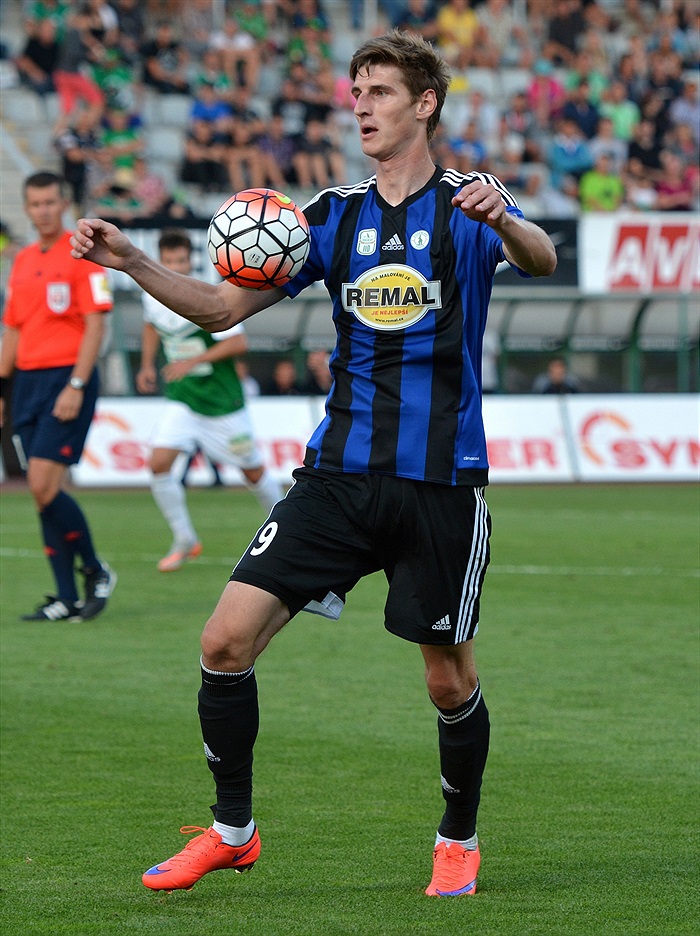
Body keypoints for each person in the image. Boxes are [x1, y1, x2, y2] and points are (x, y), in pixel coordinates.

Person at [71, 29, 556, 898]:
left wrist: (508, 218)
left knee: (448, 682)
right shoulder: (328, 217)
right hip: (336, 477)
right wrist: (133, 261)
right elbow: (221, 308)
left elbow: (541, 258)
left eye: (377, 90)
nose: (359, 105)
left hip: (441, 483)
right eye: (354, 90)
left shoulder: (470, 204)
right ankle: (232, 832)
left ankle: (458, 838)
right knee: (223, 640)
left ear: (424, 103)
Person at [0, 171, 117, 622]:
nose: (42, 211)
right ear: (27, 209)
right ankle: (66, 597)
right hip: (26, 384)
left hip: (65, 379)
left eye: (50, 202)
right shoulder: (24, 259)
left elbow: (96, 324)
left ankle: (95, 568)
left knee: (44, 483)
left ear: (63, 203)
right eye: (35, 204)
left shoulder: (85, 254)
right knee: (40, 493)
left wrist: (76, 384)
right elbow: (12, 327)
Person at [134, 230, 284, 573]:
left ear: (192, 260)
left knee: (253, 471)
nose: (176, 266)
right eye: (169, 261)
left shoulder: (208, 294)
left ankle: (292, 531)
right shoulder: (153, 293)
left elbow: (238, 343)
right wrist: (145, 365)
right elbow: (150, 326)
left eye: (181, 260)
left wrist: (192, 362)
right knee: (158, 464)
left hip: (222, 403)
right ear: (161, 260)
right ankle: (185, 538)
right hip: (184, 400)